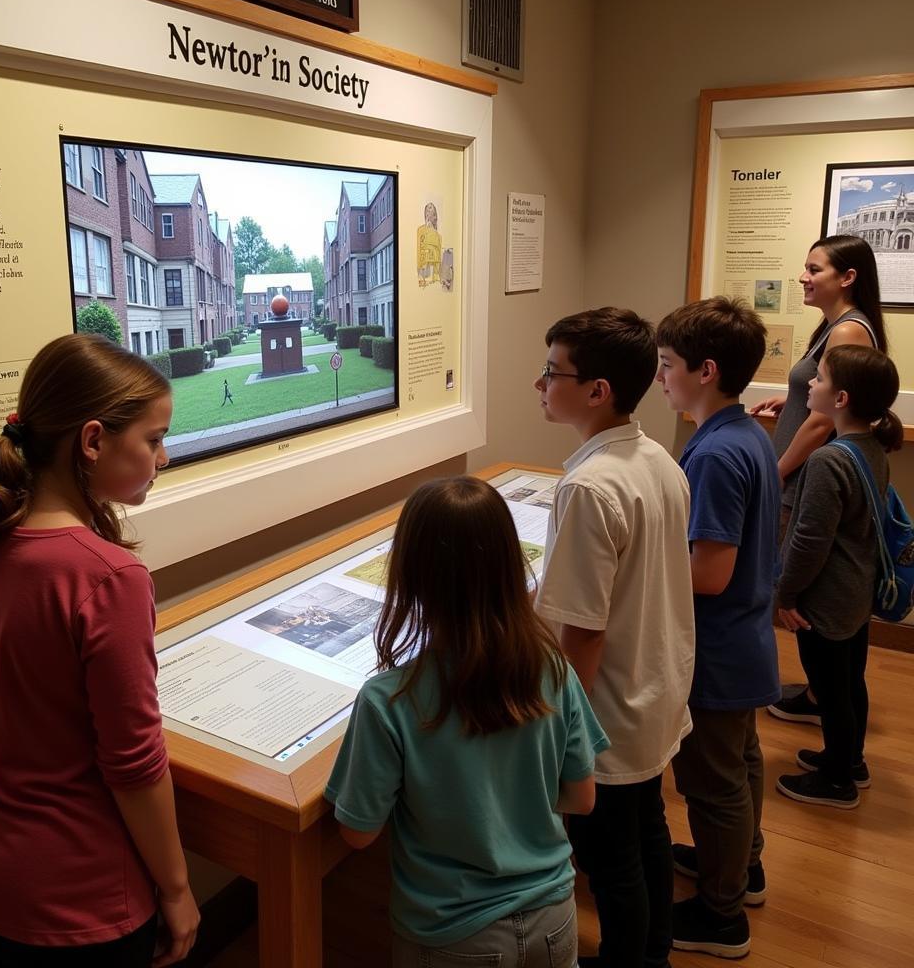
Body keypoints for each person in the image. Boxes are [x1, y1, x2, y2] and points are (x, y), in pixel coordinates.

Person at [0, 333, 199, 967]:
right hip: (65, 899)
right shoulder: (107, 578)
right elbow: (133, 764)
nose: (164, 456)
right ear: (93, 441)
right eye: (152, 439)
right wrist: (177, 890)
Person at [325, 476, 608, 968]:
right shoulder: (554, 669)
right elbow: (582, 797)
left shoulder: (387, 700)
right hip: (555, 917)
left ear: (409, 577)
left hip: (450, 935)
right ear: (509, 566)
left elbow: (358, 833)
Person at [533, 308, 695, 968]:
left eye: (552, 372)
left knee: (609, 859)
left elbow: (585, 635)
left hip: (608, 709)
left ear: (597, 390)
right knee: (647, 830)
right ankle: (653, 949)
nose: (539, 385)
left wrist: (559, 732)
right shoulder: (657, 459)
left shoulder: (589, 486)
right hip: (655, 690)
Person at [656, 297, 781, 959]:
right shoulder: (745, 435)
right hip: (747, 642)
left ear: (705, 370)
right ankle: (743, 867)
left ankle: (722, 913)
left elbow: (709, 573)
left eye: (668, 365)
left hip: (718, 648)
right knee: (742, 765)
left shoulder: (713, 456)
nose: (659, 377)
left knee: (711, 783)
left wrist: (644, 555)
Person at [750, 236, 886, 725]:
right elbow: (823, 398)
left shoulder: (849, 331)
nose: (803, 277)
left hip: (807, 483)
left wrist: (776, 471)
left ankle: (828, 709)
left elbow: (825, 420)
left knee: (810, 602)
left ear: (847, 277)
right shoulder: (835, 327)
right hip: (804, 480)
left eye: (814, 269)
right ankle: (819, 697)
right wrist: (789, 402)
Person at [776, 345, 903, 808]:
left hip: (825, 600)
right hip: (855, 593)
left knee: (830, 689)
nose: (811, 383)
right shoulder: (870, 447)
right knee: (850, 681)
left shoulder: (828, 461)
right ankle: (850, 760)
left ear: (842, 399)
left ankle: (835, 781)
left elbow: (810, 541)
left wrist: (787, 593)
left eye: (820, 379)